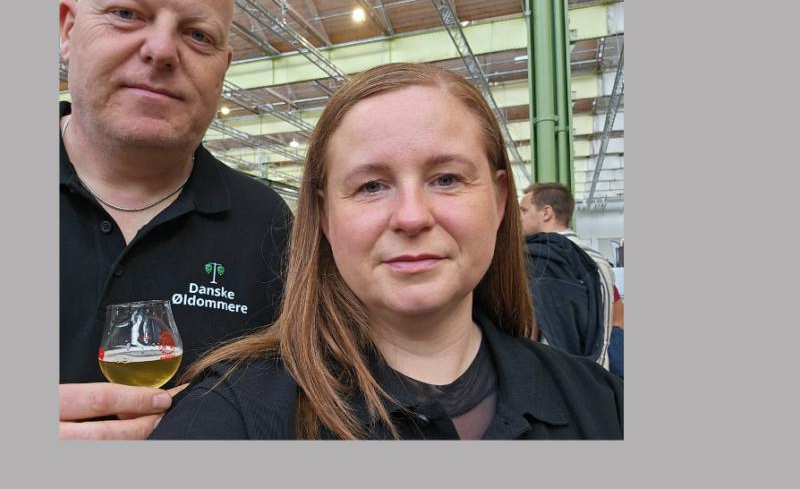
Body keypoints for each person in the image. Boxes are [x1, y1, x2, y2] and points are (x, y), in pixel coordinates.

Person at [150, 63, 623, 440]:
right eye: (372, 186)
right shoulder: (226, 414)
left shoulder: (605, 404)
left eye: (447, 179)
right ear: (325, 217)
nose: (412, 217)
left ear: (499, 201)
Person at [59, 0, 292, 439]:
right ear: (67, 29)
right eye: (126, 14)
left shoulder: (269, 227)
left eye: (198, 35)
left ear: (223, 66)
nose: (162, 50)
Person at [519, 182, 622, 376]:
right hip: (597, 376)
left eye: (523, 210)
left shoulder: (538, 257)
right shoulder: (599, 260)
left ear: (546, 213)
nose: (518, 217)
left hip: (552, 378)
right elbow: (612, 320)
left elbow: (528, 333)